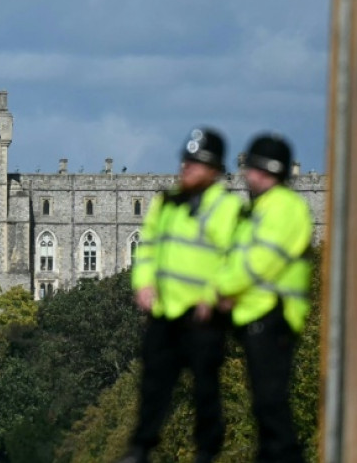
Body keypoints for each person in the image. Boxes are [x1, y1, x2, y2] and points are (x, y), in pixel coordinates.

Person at [119, 128, 243, 463]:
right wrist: (143, 284)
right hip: (167, 311)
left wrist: (217, 295)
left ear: (214, 169)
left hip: (204, 314)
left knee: (205, 391)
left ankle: (206, 451)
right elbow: (147, 249)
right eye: (185, 160)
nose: (186, 168)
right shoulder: (167, 201)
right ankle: (140, 449)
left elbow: (237, 260)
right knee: (154, 385)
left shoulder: (228, 209)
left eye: (196, 163)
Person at [211, 134, 312, 463]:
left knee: (272, 405)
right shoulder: (260, 208)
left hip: (276, 316)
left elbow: (259, 262)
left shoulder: (283, 208)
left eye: (252, 169)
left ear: (269, 171)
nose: (246, 176)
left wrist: (221, 289)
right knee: (264, 406)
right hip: (255, 316)